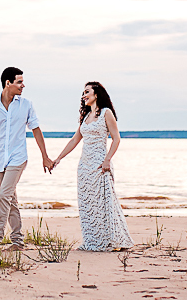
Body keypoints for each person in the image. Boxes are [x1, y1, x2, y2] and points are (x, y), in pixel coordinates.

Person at [0, 66, 54, 248]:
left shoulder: (26, 104)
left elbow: (36, 130)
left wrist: (45, 156)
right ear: (8, 83)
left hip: (18, 158)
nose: (23, 85)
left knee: (4, 195)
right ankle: (18, 241)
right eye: (19, 82)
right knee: (10, 200)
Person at [51, 81, 133, 251]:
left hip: (100, 164)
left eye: (87, 92)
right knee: (88, 204)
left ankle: (110, 240)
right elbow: (75, 140)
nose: (84, 95)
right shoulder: (86, 116)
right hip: (84, 166)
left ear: (96, 94)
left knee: (103, 202)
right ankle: (93, 241)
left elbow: (116, 139)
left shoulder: (106, 113)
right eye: (83, 93)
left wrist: (108, 159)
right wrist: (58, 158)